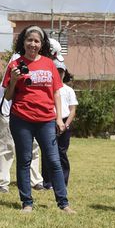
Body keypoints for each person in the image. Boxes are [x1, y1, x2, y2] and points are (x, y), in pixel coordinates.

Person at [2, 26, 74, 213]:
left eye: (37, 41)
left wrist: (59, 118)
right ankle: (27, 202)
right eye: (29, 40)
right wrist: (15, 80)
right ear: (23, 42)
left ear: (42, 44)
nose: (33, 44)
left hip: (46, 120)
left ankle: (64, 203)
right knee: (24, 161)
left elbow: (56, 92)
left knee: (53, 161)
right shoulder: (14, 64)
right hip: (21, 119)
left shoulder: (49, 64)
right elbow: (8, 96)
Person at [0, 76, 43, 193]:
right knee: (6, 145)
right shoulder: (15, 61)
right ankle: (2, 183)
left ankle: (35, 180)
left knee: (34, 145)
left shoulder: (43, 61)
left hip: (30, 109)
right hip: (6, 107)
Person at [43, 59, 77, 190]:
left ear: (64, 73)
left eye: (61, 71)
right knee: (48, 153)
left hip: (64, 122)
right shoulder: (47, 89)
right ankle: (47, 182)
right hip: (49, 122)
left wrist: (66, 124)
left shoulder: (68, 90)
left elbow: (72, 109)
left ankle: (63, 182)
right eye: (56, 71)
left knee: (61, 153)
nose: (59, 73)